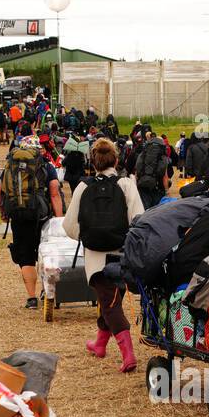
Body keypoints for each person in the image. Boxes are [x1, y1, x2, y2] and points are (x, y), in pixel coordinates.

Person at [63, 138, 146, 372]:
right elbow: (138, 219)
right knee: (111, 300)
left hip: (96, 258)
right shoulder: (126, 184)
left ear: (93, 162)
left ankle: (128, 355)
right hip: (121, 254)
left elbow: (69, 226)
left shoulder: (83, 186)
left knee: (110, 304)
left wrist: (88, 234)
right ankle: (100, 343)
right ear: (116, 160)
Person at [2, 134, 65, 310]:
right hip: (41, 217)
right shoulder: (45, 165)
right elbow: (54, 192)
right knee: (46, 255)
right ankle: (47, 291)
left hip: (19, 216)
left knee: (26, 257)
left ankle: (31, 298)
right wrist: (59, 219)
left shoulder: (11, 165)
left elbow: (0, 190)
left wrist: (5, 212)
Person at [132, 127, 172, 208]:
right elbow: (165, 176)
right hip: (158, 188)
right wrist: (167, 192)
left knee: (145, 210)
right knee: (157, 212)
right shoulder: (163, 157)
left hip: (142, 186)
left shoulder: (142, 155)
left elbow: (136, 172)